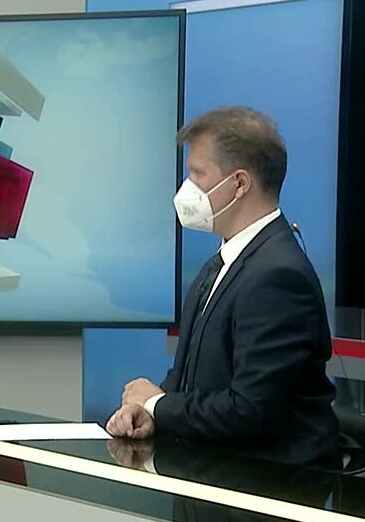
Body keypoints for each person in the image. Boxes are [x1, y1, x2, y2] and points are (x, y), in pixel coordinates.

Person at [107, 107, 338, 464]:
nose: (187, 188)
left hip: (264, 485)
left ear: (240, 184)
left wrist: (157, 403)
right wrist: (150, 413)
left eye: (198, 174)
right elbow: (191, 377)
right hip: (208, 470)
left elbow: (250, 410)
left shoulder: (278, 277)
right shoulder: (223, 263)